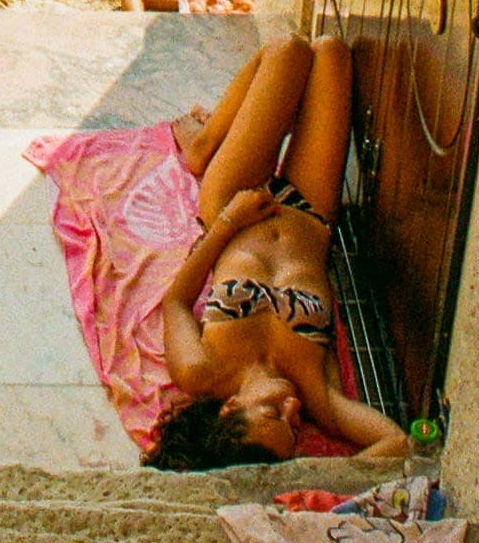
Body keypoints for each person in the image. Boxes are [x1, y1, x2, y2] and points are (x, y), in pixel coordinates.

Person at [146, 33, 408, 472]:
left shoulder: (201, 372)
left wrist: (230, 220)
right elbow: (395, 443)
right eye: (293, 427)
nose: (291, 410)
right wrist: (308, 488)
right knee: (330, 51)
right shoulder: (317, 396)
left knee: (288, 50)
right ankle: (271, 119)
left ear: (230, 410)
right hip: (309, 213)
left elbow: (174, 301)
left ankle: (203, 144)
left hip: (235, 200)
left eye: (272, 413)